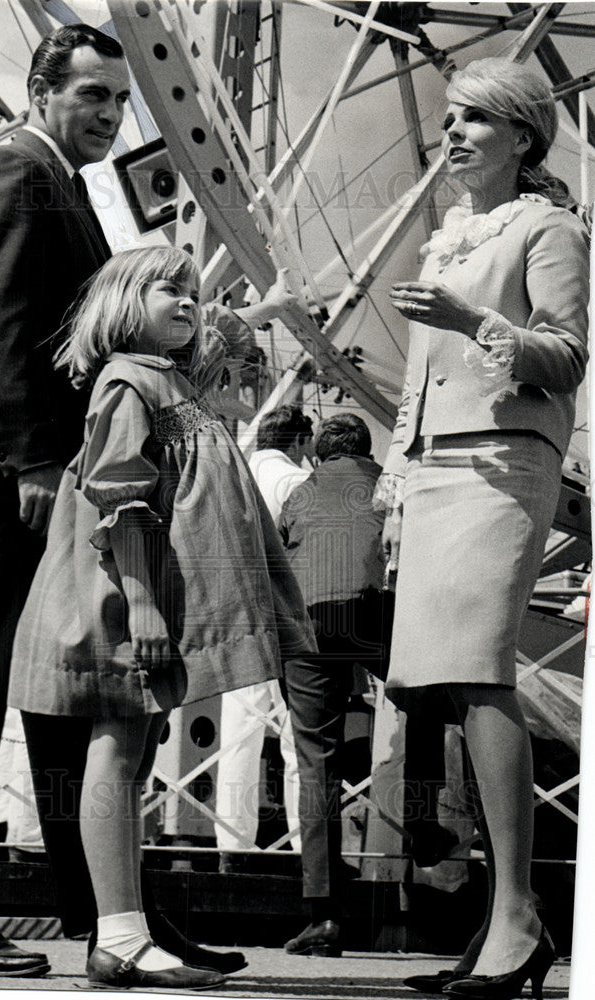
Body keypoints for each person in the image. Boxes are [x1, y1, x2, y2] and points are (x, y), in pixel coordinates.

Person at [0, 24, 238, 979]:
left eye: (120, 101)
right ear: (43, 90)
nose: (109, 115)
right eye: (93, 96)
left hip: (48, 476)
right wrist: (30, 466)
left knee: (66, 704)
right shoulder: (15, 172)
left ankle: (113, 919)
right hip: (10, 479)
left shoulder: (58, 180)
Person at [7, 245, 317, 990]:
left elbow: (228, 339)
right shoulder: (126, 382)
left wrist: (262, 310)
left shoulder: (174, 378)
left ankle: (124, 930)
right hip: (123, 597)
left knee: (135, 753)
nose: (187, 302)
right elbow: (120, 501)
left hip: (145, 595)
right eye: (167, 290)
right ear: (121, 303)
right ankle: (116, 935)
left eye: (192, 291)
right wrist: (144, 605)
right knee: (116, 750)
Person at [377, 58, 589, 1000]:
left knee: (476, 671)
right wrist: (394, 475)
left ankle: (516, 916)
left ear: (522, 135)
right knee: (448, 688)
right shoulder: (449, 234)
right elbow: (417, 379)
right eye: (449, 117)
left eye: (474, 119)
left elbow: (567, 351)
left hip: (502, 464)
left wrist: (473, 321)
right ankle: (503, 922)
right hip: (435, 467)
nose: (452, 131)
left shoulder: (548, 226)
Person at [278, 413, 393, 956]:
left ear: (318, 455)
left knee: (314, 762)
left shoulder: (299, 495)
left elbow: (274, 564)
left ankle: (322, 916)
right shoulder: (383, 485)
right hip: (369, 613)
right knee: (435, 698)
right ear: (367, 450)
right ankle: (425, 821)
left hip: (304, 625)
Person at [214, 404, 313, 870]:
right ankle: (300, 845)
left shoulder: (234, 473)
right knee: (296, 738)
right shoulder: (295, 481)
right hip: (283, 618)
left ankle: (232, 845)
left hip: (232, 614)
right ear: (299, 442)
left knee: (239, 732)